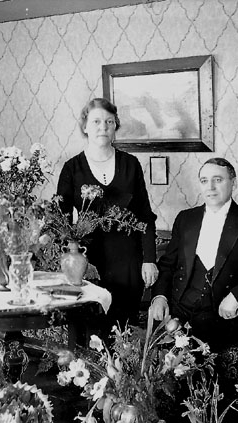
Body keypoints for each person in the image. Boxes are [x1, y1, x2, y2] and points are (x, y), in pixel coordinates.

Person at [149, 157, 238, 352]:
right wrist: (160, 297)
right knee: (153, 355)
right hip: (181, 308)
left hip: (222, 314)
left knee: (197, 353)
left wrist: (236, 297)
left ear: (233, 182)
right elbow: (168, 264)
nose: (210, 187)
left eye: (218, 180)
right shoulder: (185, 218)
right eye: (204, 181)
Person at [57, 98, 158, 330]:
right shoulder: (72, 168)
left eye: (109, 122)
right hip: (89, 262)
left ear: (115, 126)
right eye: (96, 121)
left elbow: (145, 215)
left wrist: (149, 259)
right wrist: (69, 261)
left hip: (129, 262)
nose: (103, 127)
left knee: (123, 329)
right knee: (91, 330)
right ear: (85, 126)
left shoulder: (131, 164)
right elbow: (61, 221)